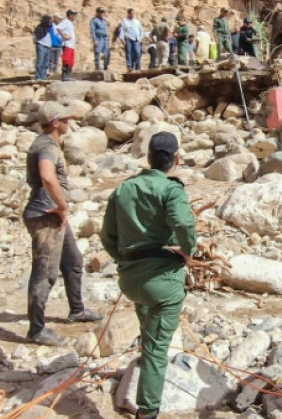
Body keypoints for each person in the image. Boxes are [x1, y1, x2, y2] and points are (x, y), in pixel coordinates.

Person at [100, 131, 197, 419]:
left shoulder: (123, 189)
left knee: (148, 327)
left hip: (130, 278)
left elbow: (107, 237)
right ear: (176, 159)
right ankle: (148, 410)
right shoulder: (171, 188)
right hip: (162, 280)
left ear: (148, 158)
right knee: (157, 348)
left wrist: (125, 260)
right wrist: (188, 251)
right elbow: (183, 223)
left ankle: (143, 370)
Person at [23, 102, 101, 345]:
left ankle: (76, 309)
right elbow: (47, 175)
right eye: (66, 120)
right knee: (44, 273)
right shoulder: (46, 146)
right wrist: (62, 205)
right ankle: (36, 329)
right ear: (55, 122)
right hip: (46, 215)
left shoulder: (45, 143)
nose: (70, 123)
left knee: (73, 261)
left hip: (53, 214)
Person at [33, 15, 55, 80]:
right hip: (41, 46)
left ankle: (43, 77)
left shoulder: (48, 29)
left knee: (45, 64)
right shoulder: (39, 28)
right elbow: (34, 36)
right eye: (49, 21)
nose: (50, 22)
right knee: (40, 62)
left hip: (48, 47)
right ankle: (38, 77)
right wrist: (37, 43)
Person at [58, 10, 78, 81]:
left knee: (71, 61)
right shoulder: (66, 22)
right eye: (73, 15)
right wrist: (64, 36)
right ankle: (64, 75)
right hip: (67, 44)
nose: (75, 16)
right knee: (66, 60)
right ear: (70, 15)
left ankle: (68, 75)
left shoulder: (70, 23)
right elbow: (58, 28)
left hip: (71, 45)